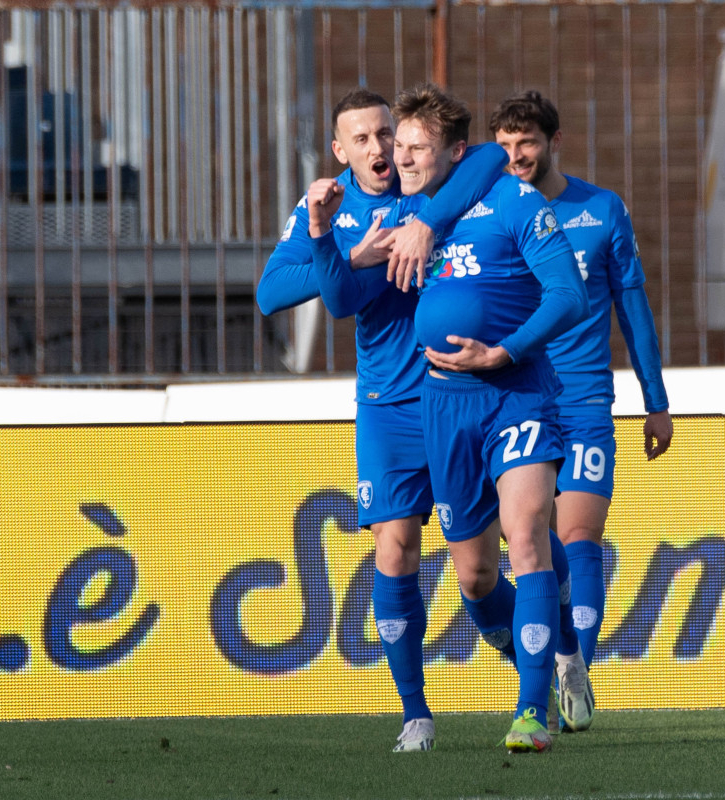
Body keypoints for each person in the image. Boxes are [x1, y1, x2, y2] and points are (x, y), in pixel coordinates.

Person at [258, 87, 508, 753]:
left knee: (478, 574)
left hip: (453, 396)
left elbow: (490, 157)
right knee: (393, 550)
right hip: (386, 408)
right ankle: (416, 715)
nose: (380, 148)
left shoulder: (428, 182)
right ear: (339, 151)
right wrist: (341, 253)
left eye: (385, 134)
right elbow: (270, 293)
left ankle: (543, 653)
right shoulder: (327, 209)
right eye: (362, 139)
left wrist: (428, 224)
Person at [387, 82, 591, 753]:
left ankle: (532, 711)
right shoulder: (407, 209)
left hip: (516, 392)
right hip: (444, 405)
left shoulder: (512, 198)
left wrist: (504, 350)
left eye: (418, 146)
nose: (403, 157)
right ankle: (557, 649)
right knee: (475, 579)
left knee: (526, 531)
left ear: (454, 151)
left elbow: (568, 293)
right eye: (399, 145)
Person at [489, 91, 673, 686]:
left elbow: (633, 309)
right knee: (527, 541)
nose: (515, 156)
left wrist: (656, 402)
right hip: (517, 401)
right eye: (504, 145)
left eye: (527, 143)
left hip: (584, 399)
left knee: (579, 534)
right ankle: (548, 661)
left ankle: (575, 679)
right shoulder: (489, 214)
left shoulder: (601, 209)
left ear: (554, 142)